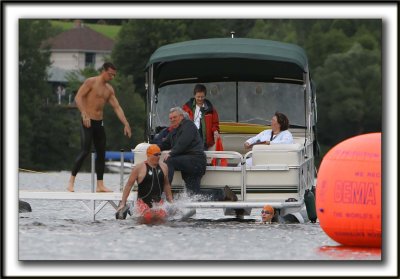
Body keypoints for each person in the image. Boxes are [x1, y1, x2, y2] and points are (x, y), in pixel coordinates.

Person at [67, 62, 132, 192]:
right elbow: (78, 97)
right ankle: (71, 182)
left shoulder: (109, 90)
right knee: (85, 150)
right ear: (104, 71)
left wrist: (126, 123)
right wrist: (84, 113)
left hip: (99, 122)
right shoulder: (91, 82)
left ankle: (100, 185)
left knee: (101, 153)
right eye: (110, 74)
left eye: (114, 75)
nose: (112, 77)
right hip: (87, 121)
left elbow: (117, 107)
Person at [116, 144, 173, 223]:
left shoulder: (164, 167)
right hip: (143, 202)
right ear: (149, 155)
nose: (158, 157)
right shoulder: (139, 168)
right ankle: (129, 207)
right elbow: (129, 185)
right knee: (149, 218)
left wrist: (171, 201)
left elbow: (166, 185)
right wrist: (123, 203)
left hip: (158, 203)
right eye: (156, 155)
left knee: (162, 219)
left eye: (159, 154)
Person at [182, 84, 220, 150]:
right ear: (194, 95)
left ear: (205, 96)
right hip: (190, 141)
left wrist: (215, 131)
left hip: (205, 142)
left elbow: (215, 123)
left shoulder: (211, 109)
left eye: (202, 97)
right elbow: (182, 122)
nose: (200, 99)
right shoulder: (186, 108)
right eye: (198, 97)